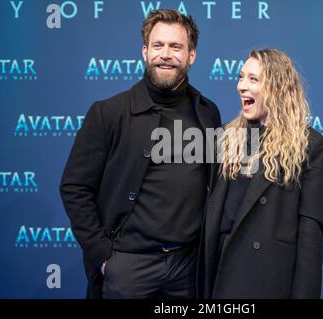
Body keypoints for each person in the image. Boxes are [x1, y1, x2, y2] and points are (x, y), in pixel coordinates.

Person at [60, 9, 221, 299]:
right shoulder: (109, 113)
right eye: (158, 46)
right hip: (129, 266)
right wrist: (105, 256)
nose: (166, 54)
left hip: (188, 268)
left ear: (191, 55)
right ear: (144, 52)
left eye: (176, 47)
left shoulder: (207, 113)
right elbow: (74, 187)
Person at [198, 49, 323, 299]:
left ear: (277, 88)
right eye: (241, 77)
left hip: (266, 280)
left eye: (253, 79)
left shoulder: (309, 146)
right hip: (219, 274)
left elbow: (310, 234)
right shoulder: (225, 138)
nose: (241, 86)